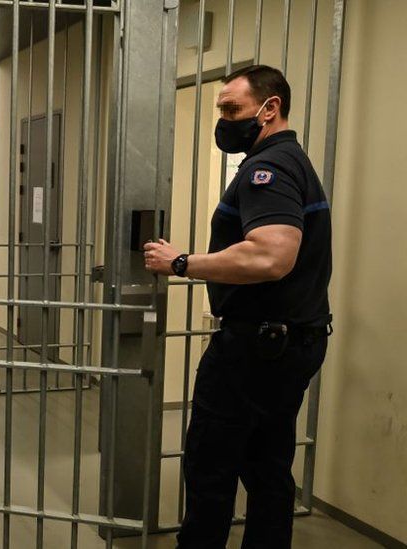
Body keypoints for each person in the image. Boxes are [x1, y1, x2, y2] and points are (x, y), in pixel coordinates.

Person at [143, 64, 332, 548]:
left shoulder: (267, 167)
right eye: (222, 109)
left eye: (233, 109)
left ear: (270, 109)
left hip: (256, 348)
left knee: (212, 466)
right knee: (268, 469)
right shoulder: (294, 161)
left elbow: (271, 254)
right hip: (293, 341)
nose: (224, 120)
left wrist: (181, 262)